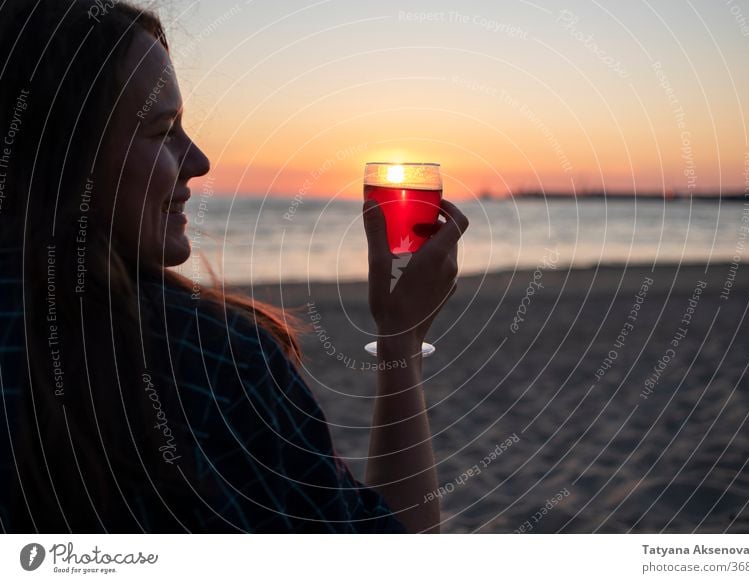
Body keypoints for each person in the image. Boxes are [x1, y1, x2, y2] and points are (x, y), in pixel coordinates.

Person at [0, 0, 467, 533]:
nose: (198, 161)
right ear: (66, 155)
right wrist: (401, 343)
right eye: (161, 131)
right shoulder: (205, 359)